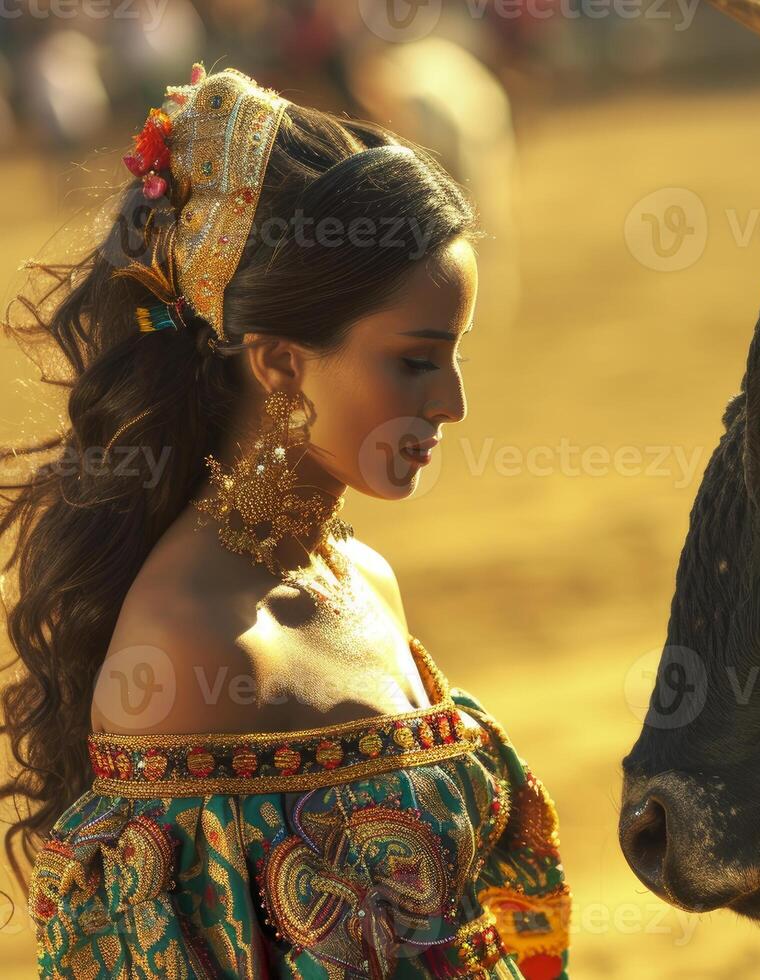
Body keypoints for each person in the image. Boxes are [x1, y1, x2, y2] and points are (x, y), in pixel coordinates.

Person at [0, 63, 570, 979]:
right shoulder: (194, 648)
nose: (455, 403)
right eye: (417, 362)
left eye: (453, 357)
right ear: (277, 364)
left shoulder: (361, 577)